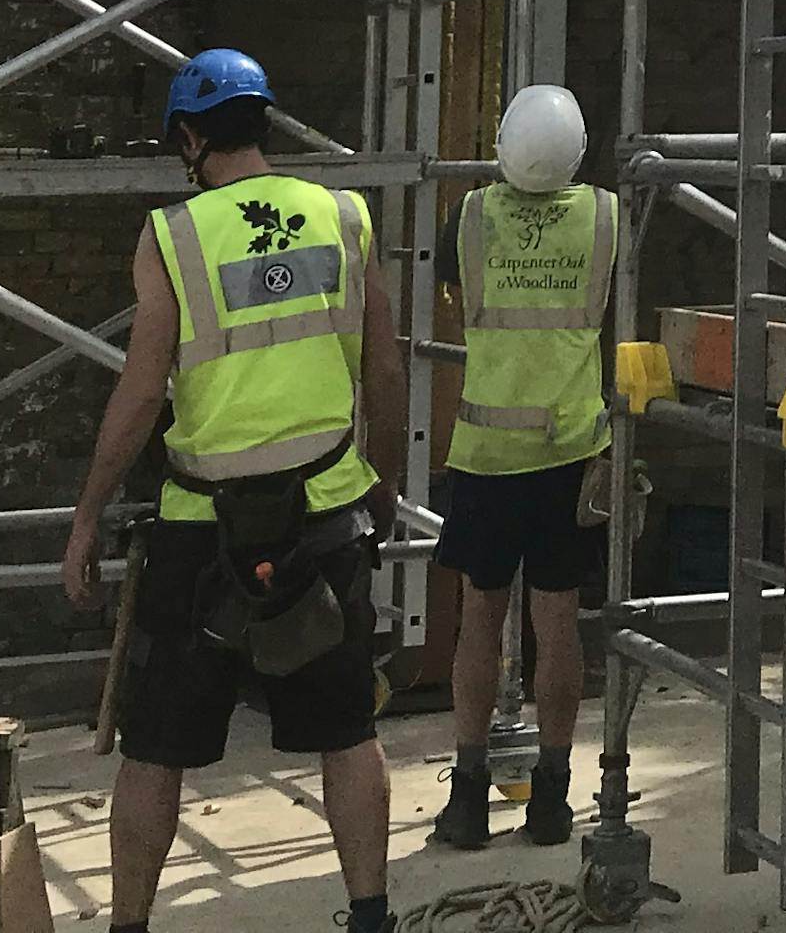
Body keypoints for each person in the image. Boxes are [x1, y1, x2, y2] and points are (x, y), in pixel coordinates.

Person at [60, 52, 407, 933]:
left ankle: (129, 926)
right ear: (265, 123)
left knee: (154, 748)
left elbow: (142, 390)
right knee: (347, 733)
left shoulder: (173, 235)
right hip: (324, 514)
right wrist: (383, 483)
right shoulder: (343, 215)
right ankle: (372, 917)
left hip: (200, 530)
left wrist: (89, 513)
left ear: (189, 138)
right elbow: (385, 368)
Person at [426, 84, 617, 853]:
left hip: (486, 454)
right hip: (568, 454)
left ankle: (469, 797)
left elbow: (453, 292)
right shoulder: (605, 219)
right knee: (558, 622)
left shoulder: (469, 218)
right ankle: (551, 799)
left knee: (479, 617)